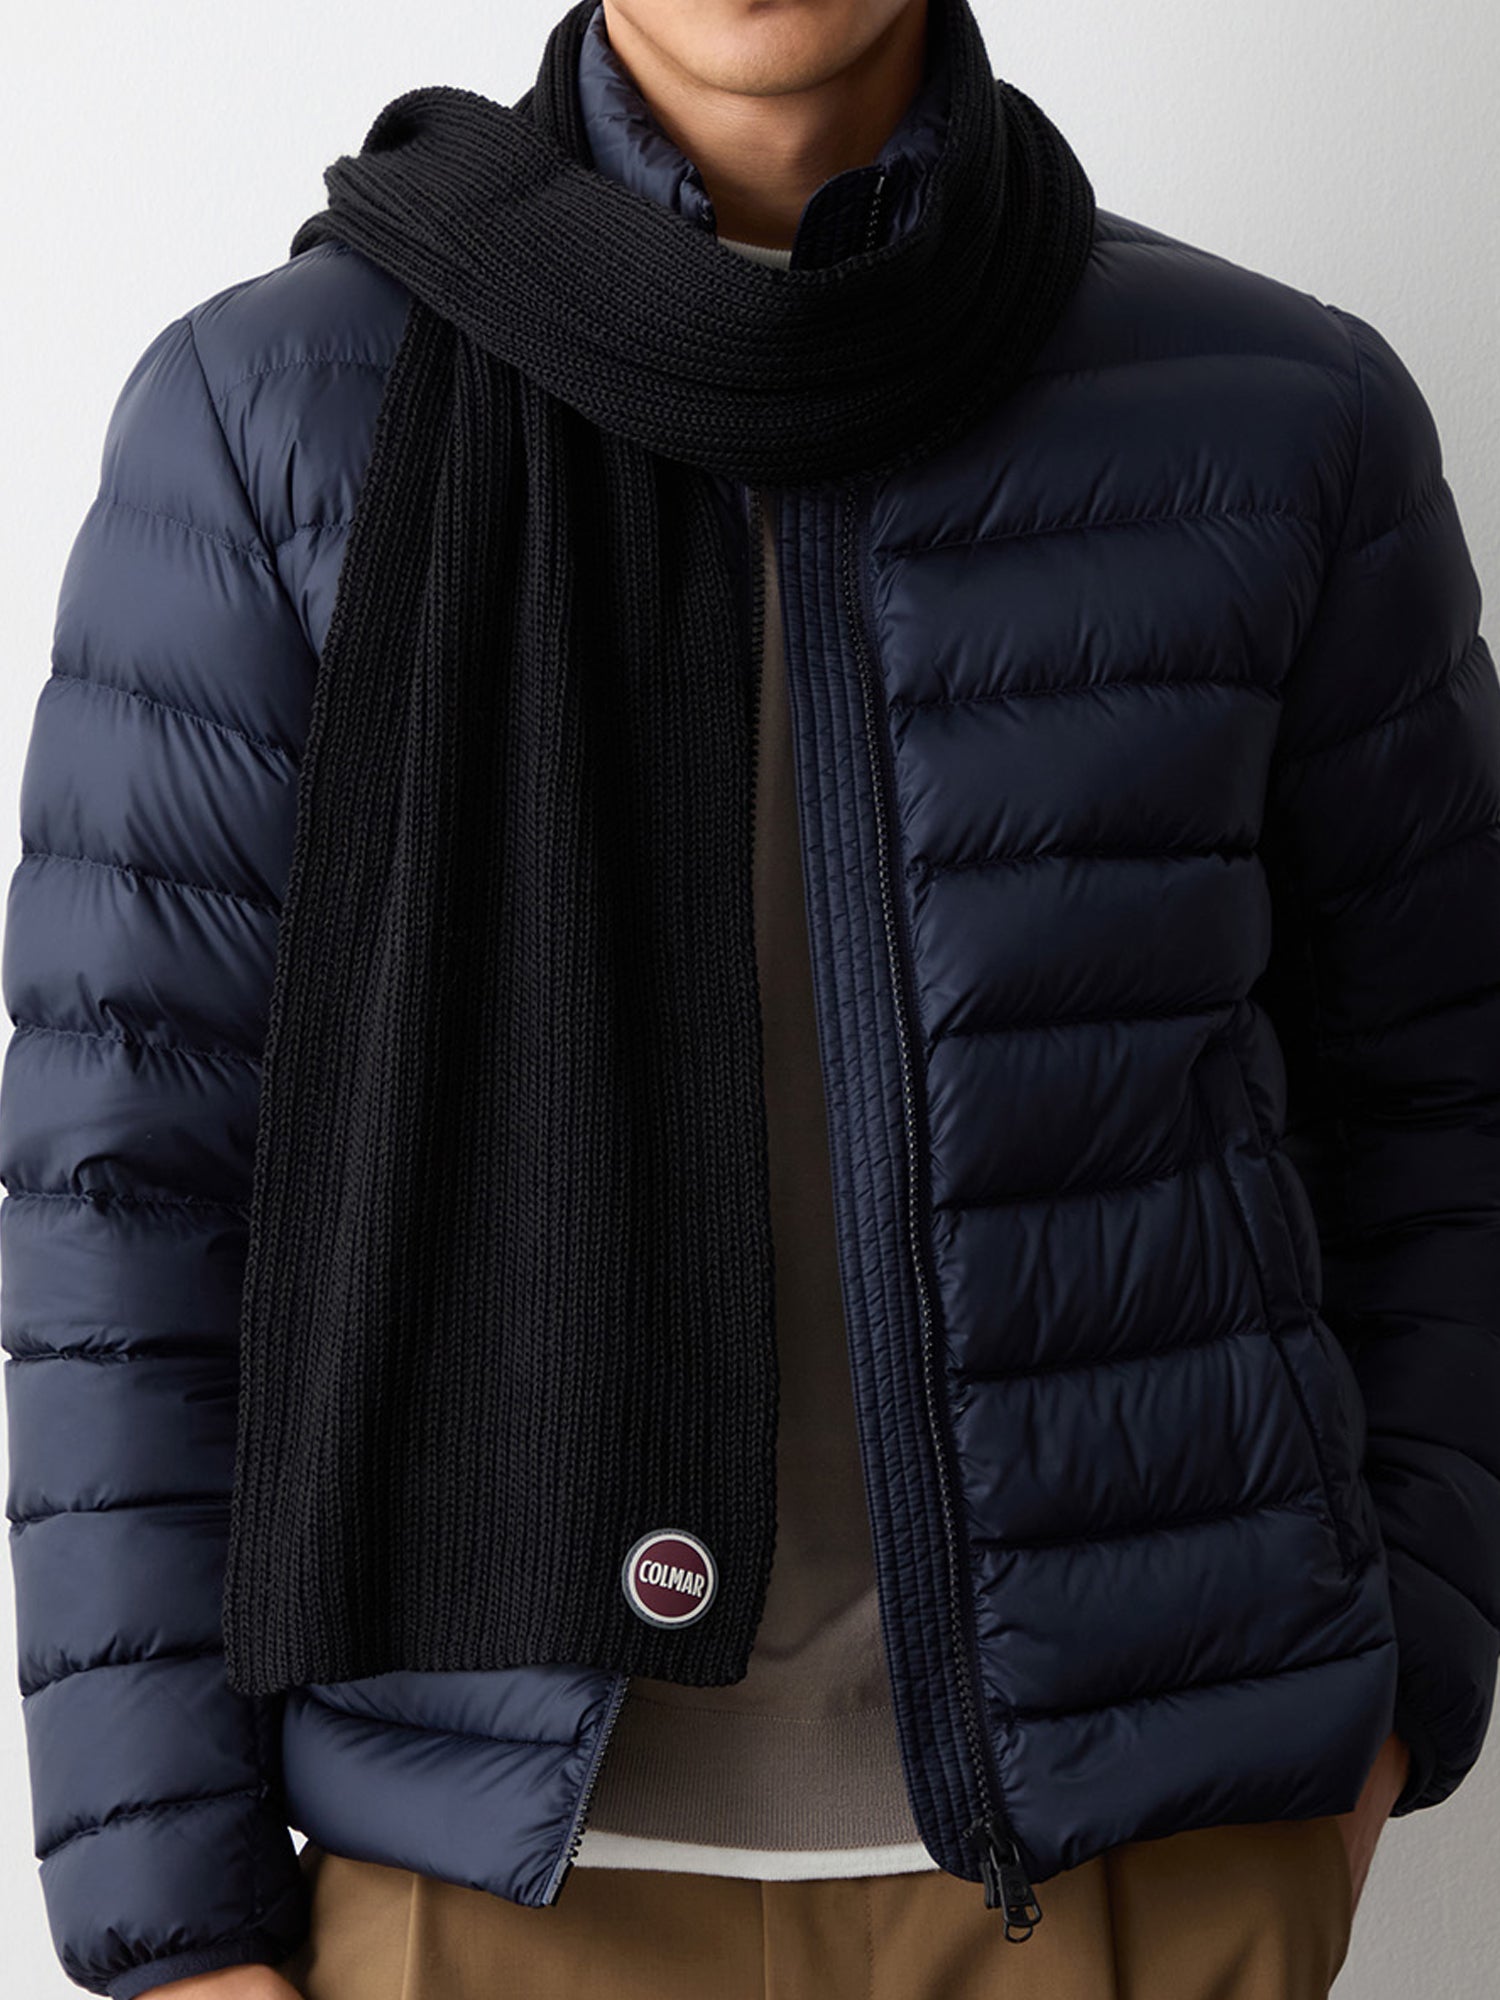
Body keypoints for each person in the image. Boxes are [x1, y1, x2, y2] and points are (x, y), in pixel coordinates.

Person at [3, 1, 1495, 1996]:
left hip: (1148, 1856)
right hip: (483, 1896)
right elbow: (127, 1192)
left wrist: (1402, 1690)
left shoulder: (1282, 415)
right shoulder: (264, 417)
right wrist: (175, 1924)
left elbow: (1447, 1096)